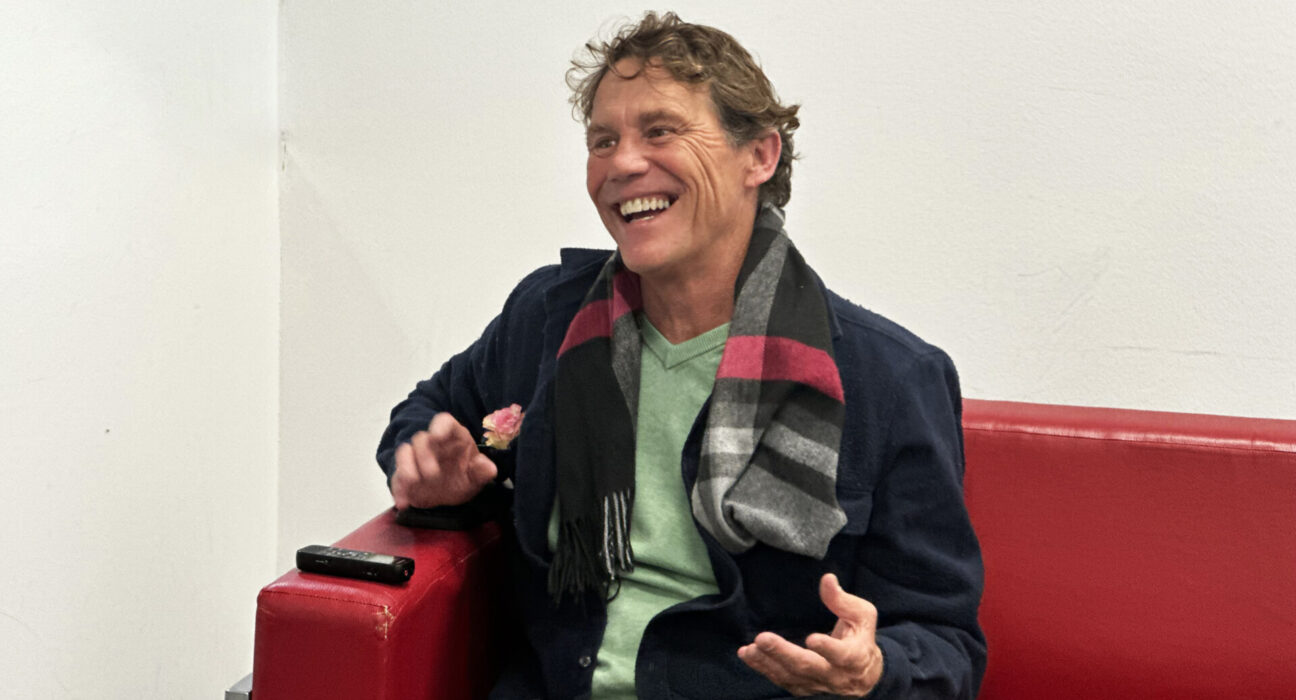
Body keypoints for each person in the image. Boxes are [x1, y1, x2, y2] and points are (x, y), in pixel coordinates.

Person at [377, 12, 984, 699]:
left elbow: (946, 642)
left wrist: (875, 671)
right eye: (603, 140)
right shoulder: (547, 318)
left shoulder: (891, 378)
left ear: (760, 156)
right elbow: (426, 416)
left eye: (660, 130)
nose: (622, 163)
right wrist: (429, 477)